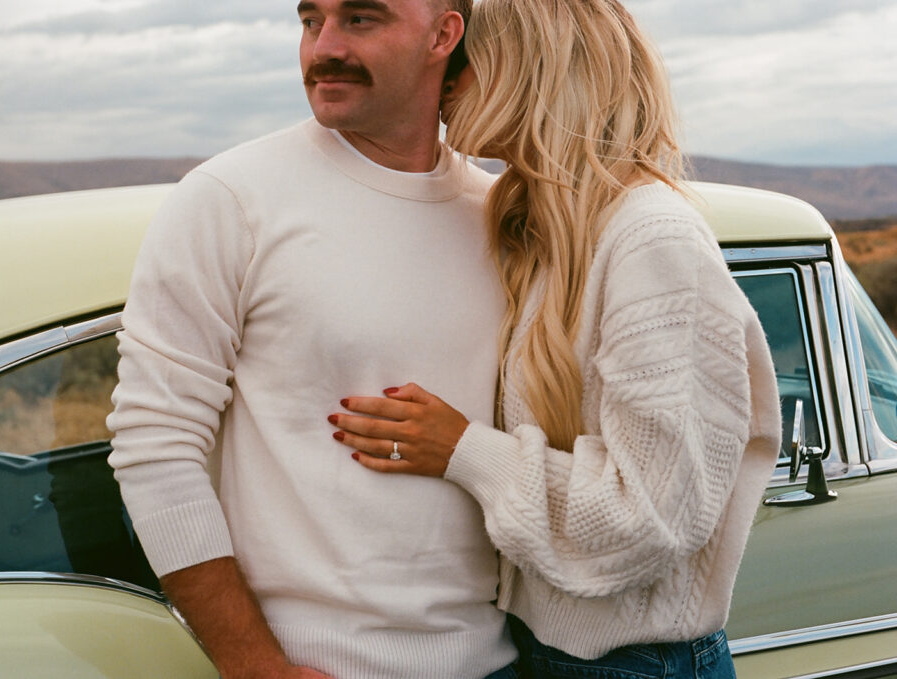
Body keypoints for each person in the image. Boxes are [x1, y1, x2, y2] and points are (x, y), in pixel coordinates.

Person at [328, 0, 782, 677]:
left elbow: (650, 517)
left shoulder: (651, 240)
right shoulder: (542, 234)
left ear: (529, 69)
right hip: (541, 649)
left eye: (467, 59)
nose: (446, 80)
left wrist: (460, 448)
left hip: (639, 664)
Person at [106, 1, 519, 678]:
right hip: (314, 665)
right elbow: (155, 443)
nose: (323, 46)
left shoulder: (498, 213)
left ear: (445, 34)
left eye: (360, 19)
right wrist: (253, 662)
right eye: (309, 20)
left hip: (502, 661)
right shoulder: (228, 199)